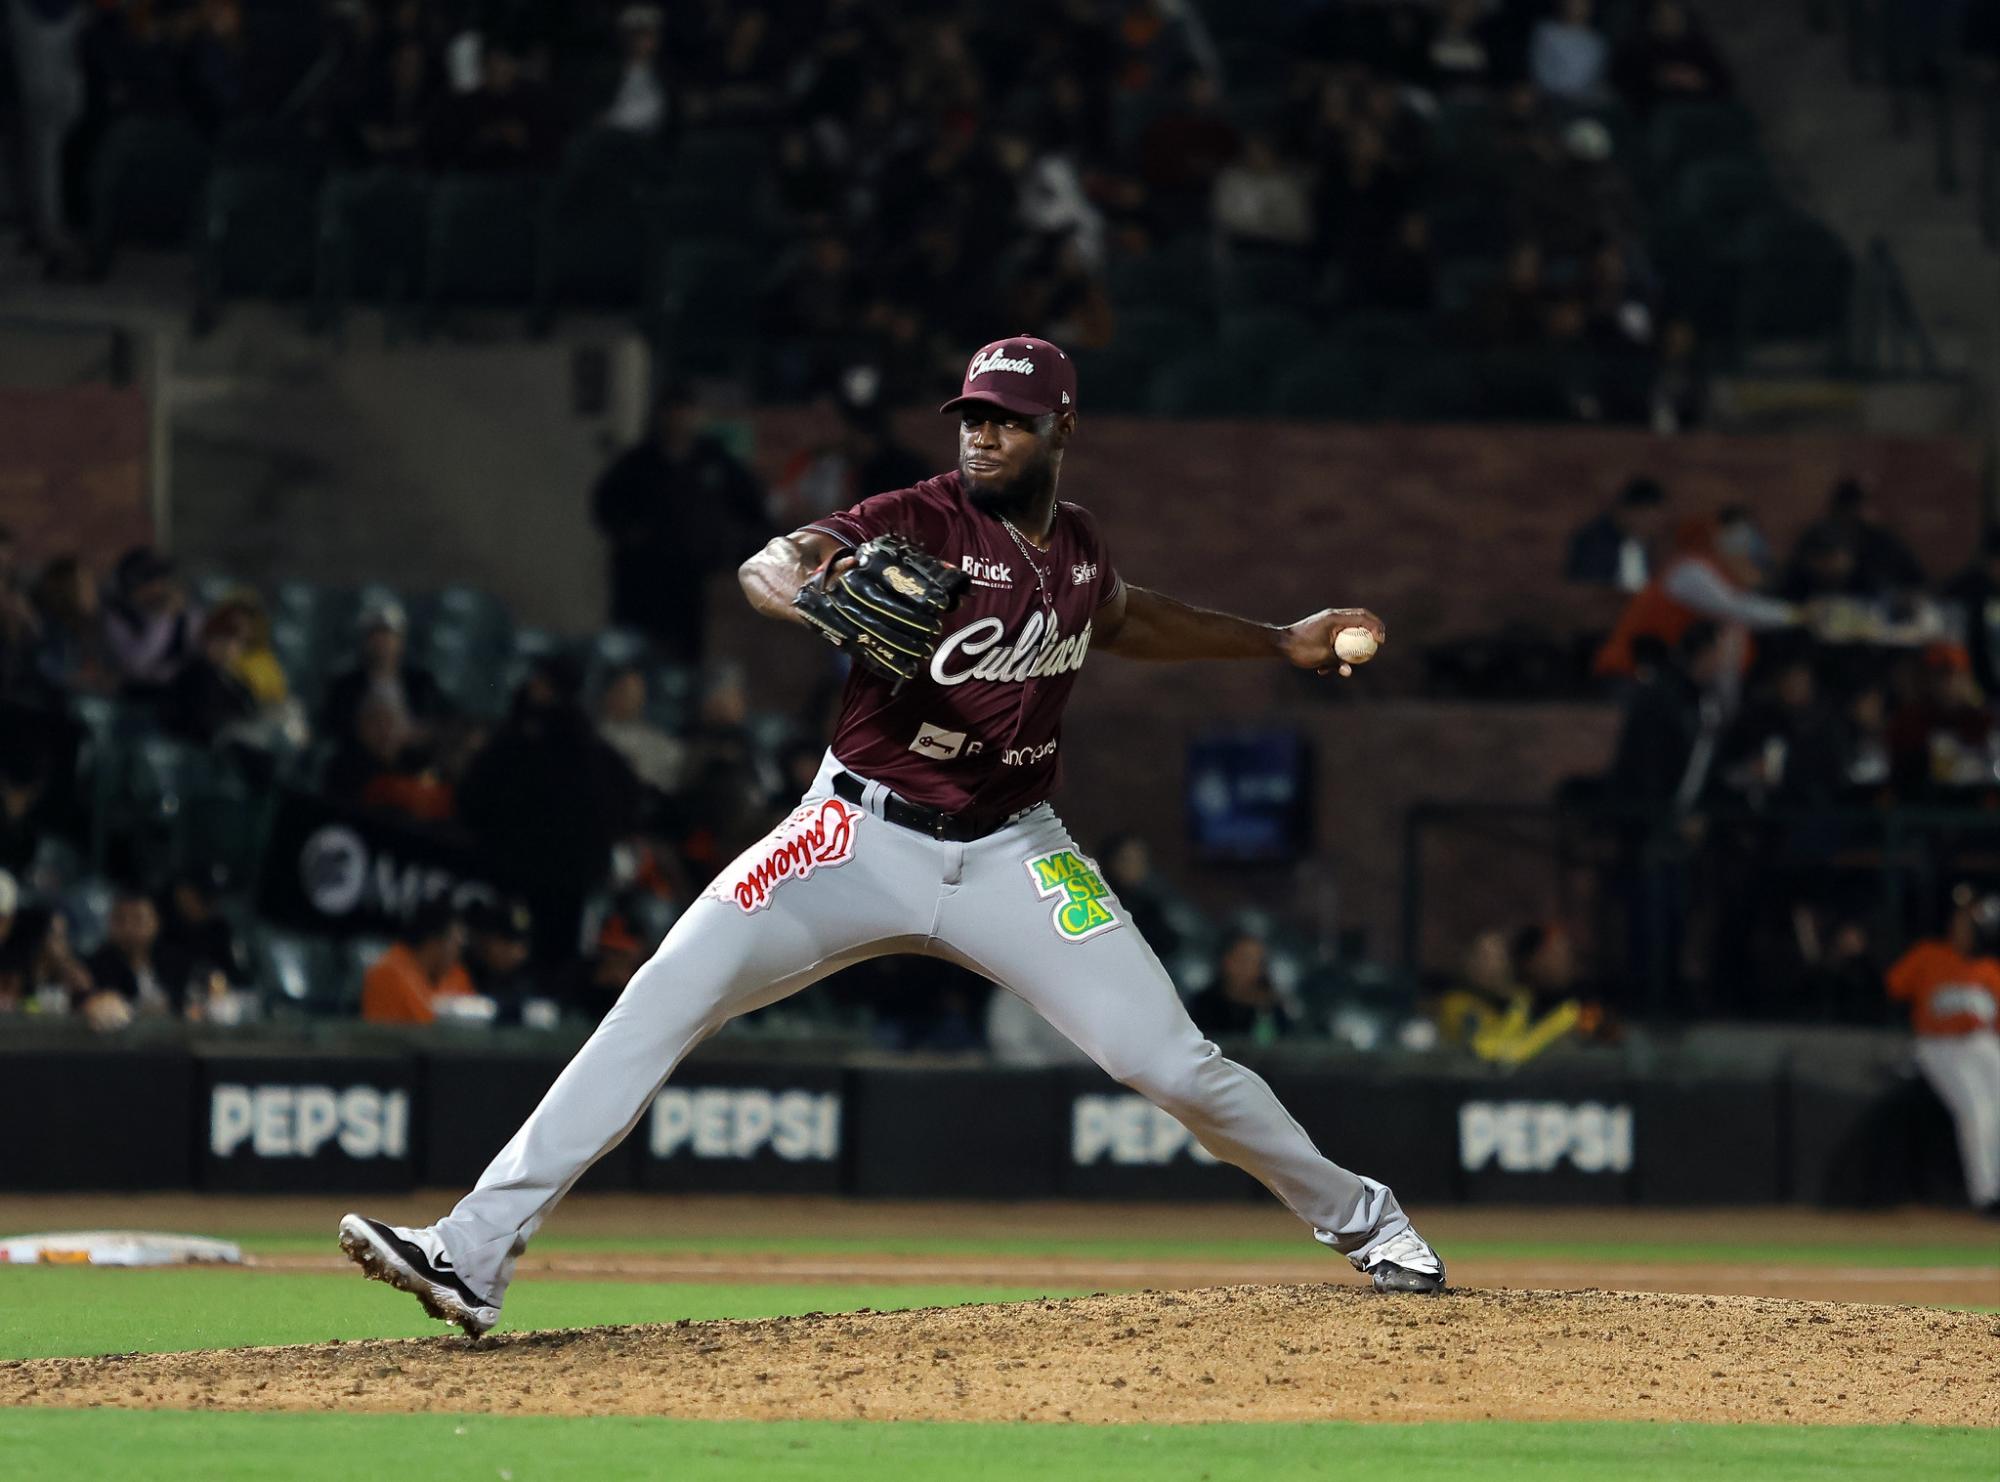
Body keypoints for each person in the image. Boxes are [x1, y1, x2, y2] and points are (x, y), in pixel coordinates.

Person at [339, 333, 1446, 1337]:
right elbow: (771, 562)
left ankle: (1368, 1220)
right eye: (969, 414)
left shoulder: (1076, 547)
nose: (979, 433)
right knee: (663, 991)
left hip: (1015, 847)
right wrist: (808, 598)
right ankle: (471, 1253)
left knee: (1172, 1063)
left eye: (1005, 418)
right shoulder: (917, 518)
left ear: (1061, 428)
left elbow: (1127, 617)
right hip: (853, 833)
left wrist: (1279, 643)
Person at [590, 383, 771, 663]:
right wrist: (632, 535)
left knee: (690, 657)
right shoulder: (639, 463)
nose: (679, 419)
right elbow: (607, 506)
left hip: (697, 581)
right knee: (636, 655)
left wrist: (734, 549)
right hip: (644, 579)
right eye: (673, 411)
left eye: (686, 411)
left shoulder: (714, 461)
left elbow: (753, 509)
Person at [1885, 885, 2000, 1214]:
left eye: (1971, 922)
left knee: (1996, 1111)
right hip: (1940, 1045)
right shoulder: (1928, 955)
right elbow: (1891, 988)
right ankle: (1987, 1196)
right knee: (1976, 1111)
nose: (1964, 927)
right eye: (1960, 920)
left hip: (1983, 1043)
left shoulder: (1989, 971)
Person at [318, 599, 452, 751]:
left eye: (388, 635)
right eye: (375, 635)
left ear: (400, 640)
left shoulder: (421, 682)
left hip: (409, 762)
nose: (382, 643)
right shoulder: (345, 685)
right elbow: (332, 728)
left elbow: (438, 721)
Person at [102, 547, 198, 698]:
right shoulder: (119, 615)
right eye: (152, 580)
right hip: (138, 696)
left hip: (180, 693)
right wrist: (162, 618)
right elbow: (137, 666)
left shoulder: (181, 614)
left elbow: (194, 652)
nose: (160, 587)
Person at [360, 901, 476, 1024]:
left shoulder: (456, 974)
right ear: (434, 943)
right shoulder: (386, 974)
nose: (459, 953)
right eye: (456, 944)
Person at [594, 664, 687, 798]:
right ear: (609, 692)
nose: (633, 699)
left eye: (638, 693)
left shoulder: (659, 742)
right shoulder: (594, 734)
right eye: (625, 692)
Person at [85, 888, 181, 1016]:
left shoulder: (175, 962)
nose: (128, 928)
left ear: (155, 922)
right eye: (120, 920)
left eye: (138, 919)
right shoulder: (94, 968)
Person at [1187, 932, 1296, 1041]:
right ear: (1226, 960)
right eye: (1244, 960)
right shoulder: (1203, 1004)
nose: (1249, 968)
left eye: (1257, 962)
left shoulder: (1271, 1005)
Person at [1565, 476, 1667, 592]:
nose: (1654, 526)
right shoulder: (1594, 542)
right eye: (1649, 519)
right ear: (1630, 512)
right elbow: (1587, 588)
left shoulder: (1650, 545)